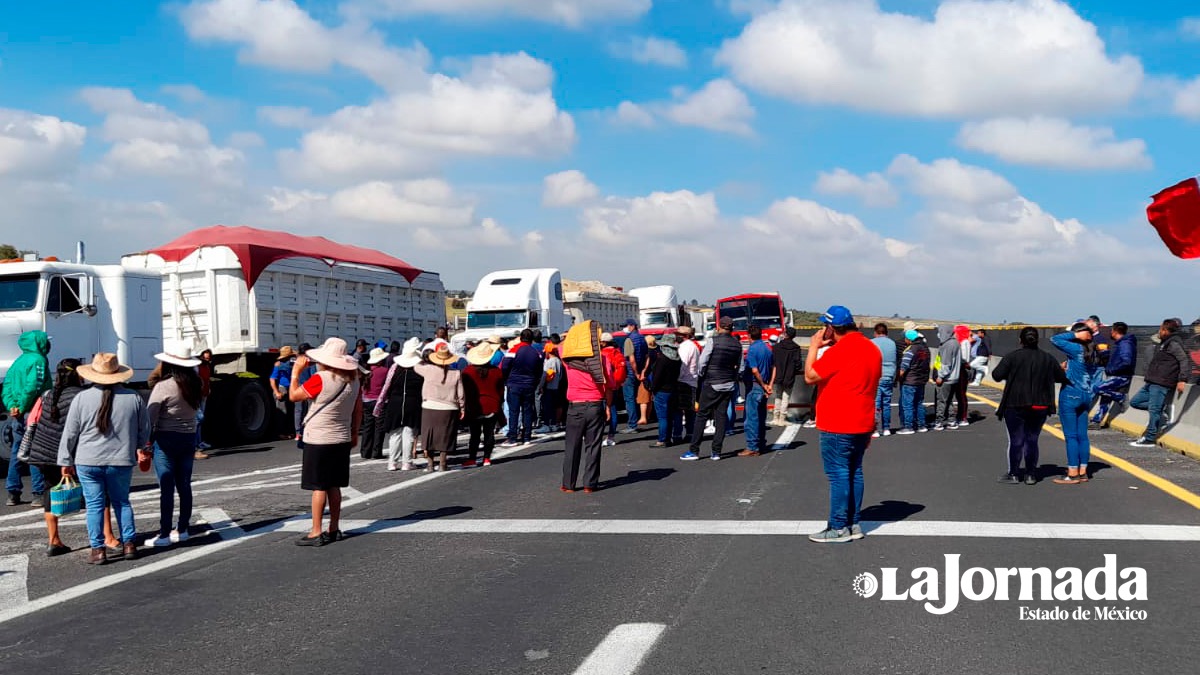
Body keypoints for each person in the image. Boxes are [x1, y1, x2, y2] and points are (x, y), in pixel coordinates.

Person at [58, 353, 150, 564]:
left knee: (94, 505)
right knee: (122, 502)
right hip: (121, 459)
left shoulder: (81, 398)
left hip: (88, 460)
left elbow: (70, 433)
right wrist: (140, 447)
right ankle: (129, 544)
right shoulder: (133, 397)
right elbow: (144, 429)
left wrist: (65, 461)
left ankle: (98, 550)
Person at [804, 306, 881, 543]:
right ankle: (853, 523)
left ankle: (838, 527)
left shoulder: (840, 351)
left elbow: (810, 376)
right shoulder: (871, 348)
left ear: (831, 328)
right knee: (854, 472)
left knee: (838, 474)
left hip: (838, 421)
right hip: (863, 419)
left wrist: (815, 346)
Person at [289, 337, 362, 546]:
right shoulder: (354, 379)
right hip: (342, 436)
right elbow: (357, 409)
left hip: (319, 437)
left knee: (318, 485)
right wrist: (355, 432)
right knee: (334, 485)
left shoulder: (321, 378)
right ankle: (334, 527)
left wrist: (296, 372)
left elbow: (294, 396)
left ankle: (316, 531)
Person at [20, 358, 83, 555]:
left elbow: (31, 421)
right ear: (77, 375)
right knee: (94, 493)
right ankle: (102, 539)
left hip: (43, 451)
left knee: (49, 491)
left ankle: (54, 539)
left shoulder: (47, 395)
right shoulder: (81, 396)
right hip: (69, 452)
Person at [991, 328, 1071, 484]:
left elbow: (996, 375)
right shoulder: (1047, 358)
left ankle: (1013, 473)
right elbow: (1061, 377)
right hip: (1040, 404)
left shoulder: (1012, 357)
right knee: (1032, 439)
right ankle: (1030, 474)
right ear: (1037, 340)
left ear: (1021, 340)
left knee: (1016, 440)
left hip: (1015, 403)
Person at [147, 343, 203, 547]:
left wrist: (146, 441)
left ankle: (164, 533)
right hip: (188, 436)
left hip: (166, 437)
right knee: (184, 485)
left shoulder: (164, 386)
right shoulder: (195, 383)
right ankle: (183, 528)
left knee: (166, 486)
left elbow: (150, 415)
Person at [682, 316, 741, 461]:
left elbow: (703, 362)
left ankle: (694, 450)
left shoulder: (713, 341)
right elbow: (740, 367)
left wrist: (702, 374)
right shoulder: (737, 345)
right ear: (731, 328)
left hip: (712, 382)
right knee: (721, 417)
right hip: (728, 384)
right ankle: (716, 452)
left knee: (702, 415)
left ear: (719, 327)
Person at [561, 321, 612, 493]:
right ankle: (590, 484)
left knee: (572, 445)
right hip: (595, 404)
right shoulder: (602, 359)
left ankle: (568, 484)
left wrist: (574, 336)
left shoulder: (567, 357)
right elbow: (610, 383)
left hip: (575, 405)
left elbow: (561, 345)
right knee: (593, 445)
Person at [1050, 323, 1101, 484]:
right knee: (1082, 436)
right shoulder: (1094, 352)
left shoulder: (1076, 349)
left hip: (1071, 394)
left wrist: (1075, 335)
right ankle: (1083, 471)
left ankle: (1072, 472)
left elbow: (1055, 339)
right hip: (1087, 395)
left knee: (1071, 436)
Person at [5, 329, 51, 506]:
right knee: (35, 452)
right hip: (34, 412)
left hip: (19, 413)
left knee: (17, 451)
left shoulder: (18, 361)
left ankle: (12, 493)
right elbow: (34, 386)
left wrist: (13, 406)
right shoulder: (39, 360)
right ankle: (38, 492)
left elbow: (7, 385)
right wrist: (24, 406)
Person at [1130, 318, 1190, 447]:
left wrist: (1182, 379)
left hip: (1162, 382)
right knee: (1135, 402)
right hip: (1152, 381)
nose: (1159, 331)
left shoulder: (1174, 344)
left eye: (1161, 328)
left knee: (1153, 409)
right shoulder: (1164, 343)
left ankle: (1150, 438)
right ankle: (1160, 409)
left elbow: (1184, 361)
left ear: (1166, 330)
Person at [376, 338, 424, 471]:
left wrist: (380, 403)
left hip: (395, 402)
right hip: (413, 401)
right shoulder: (420, 367)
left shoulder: (395, 367)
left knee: (394, 433)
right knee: (409, 432)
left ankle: (392, 462)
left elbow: (386, 385)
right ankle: (407, 462)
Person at [415, 345, 465, 472]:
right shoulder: (456, 373)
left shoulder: (428, 369)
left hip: (429, 406)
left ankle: (430, 465)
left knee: (429, 435)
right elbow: (461, 393)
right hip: (449, 408)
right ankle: (443, 463)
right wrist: (462, 408)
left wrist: (424, 358)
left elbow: (416, 366)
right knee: (445, 435)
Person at [462, 341, 504, 468]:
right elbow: (501, 390)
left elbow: (464, 390)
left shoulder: (467, 371)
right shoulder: (496, 371)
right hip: (492, 405)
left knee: (474, 434)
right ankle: (487, 458)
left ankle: (472, 458)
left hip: (475, 406)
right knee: (489, 433)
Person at [501, 329, 543, 446]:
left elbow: (504, 367)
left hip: (514, 384)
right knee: (527, 410)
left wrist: (506, 380)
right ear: (531, 339)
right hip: (529, 384)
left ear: (520, 337)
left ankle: (512, 437)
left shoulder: (513, 350)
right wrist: (535, 382)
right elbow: (539, 370)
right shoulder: (536, 352)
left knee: (514, 411)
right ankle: (527, 437)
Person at [1091, 322, 1137, 427]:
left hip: (1121, 376)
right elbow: (1117, 358)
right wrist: (1105, 353)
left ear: (1115, 331)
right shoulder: (1118, 343)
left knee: (1098, 388)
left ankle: (1121, 397)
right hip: (1115, 374)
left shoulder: (1125, 344)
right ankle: (1096, 421)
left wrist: (1112, 369)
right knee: (1105, 399)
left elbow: (1126, 361)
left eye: (1112, 330)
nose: (1110, 332)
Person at [740, 324, 773, 457]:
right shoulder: (767, 348)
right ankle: (761, 443)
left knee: (751, 418)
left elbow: (754, 370)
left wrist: (762, 384)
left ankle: (752, 446)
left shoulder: (752, 350)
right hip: (764, 384)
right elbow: (774, 367)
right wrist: (768, 384)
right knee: (761, 416)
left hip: (755, 385)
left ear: (749, 336)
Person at [895, 329, 931, 435]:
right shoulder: (925, 349)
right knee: (919, 403)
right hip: (921, 380)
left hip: (910, 381)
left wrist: (897, 378)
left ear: (909, 339)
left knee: (908, 405)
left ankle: (908, 426)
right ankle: (921, 425)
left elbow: (904, 367)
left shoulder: (910, 350)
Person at [650, 333, 682, 447]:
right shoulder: (677, 359)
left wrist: (652, 389)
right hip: (673, 388)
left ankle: (663, 439)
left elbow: (657, 377)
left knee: (663, 416)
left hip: (662, 390)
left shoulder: (662, 359)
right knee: (672, 414)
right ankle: (674, 436)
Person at [359, 346, 391, 459]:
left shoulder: (367, 370)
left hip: (366, 401)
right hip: (379, 402)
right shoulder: (385, 371)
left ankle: (365, 451)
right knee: (379, 427)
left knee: (368, 426)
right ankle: (376, 452)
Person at [932, 325, 963, 431]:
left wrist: (940, 376)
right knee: (949, 400)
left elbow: (946, 364)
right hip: (954, 377)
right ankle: (951, 421)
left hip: (947, 378)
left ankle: (939, 422)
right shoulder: (956, 343)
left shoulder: (947, 345)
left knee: (941, 401)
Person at [620, 319, 648, 433]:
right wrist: (643, 372)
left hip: (631, 373)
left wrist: (636, 372)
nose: (625, 329)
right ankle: (635, 421)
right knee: (637, 397)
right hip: (640, 372)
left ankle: (632, 425)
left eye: (626, 326)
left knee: (629, 399)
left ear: (632, 326)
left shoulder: (629, 340)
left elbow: (631, 360)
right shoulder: (642, 338)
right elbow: (647, 357)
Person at [770, 326, 801, 427]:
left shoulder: (777, 347)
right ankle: (782, 418)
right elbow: (798, 365)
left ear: (785, 334)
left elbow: (772, 362)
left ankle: (775, 417)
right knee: (786, 397)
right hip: (789, 376)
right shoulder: (796, 348)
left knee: (778, 396)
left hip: (778, 375)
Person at [871, 323, 898, 437]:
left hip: (877, 376)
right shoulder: (892, 343)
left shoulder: (872, 343)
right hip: (889, 375)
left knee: (876, 404)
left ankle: (875, 429)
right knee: (886, 403)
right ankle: (886, 427)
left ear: (876, 332)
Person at [600, 333, 626, 447]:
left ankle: (596, 435)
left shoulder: (603, 354)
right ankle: (611, 436)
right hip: (616, 385)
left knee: (601, 412)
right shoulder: (618, 352)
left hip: (604, 386)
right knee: (613, 410)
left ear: (604, 342)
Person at [675, 326, 701, 440]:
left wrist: (676, 378)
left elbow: (683, 365)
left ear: (684, 336)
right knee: (689, 410)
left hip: (685, 381)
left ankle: (679, 434)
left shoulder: (686, 347)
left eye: (678, 334)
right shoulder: (691, 346)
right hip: (691, 380)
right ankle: (690, 433)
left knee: (680, 410)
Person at [270, 346, 296, 440]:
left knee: (290, 411)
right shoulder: (280, 365)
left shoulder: (288, 364)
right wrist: (276, 391)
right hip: (283, 388)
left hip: (290, 388)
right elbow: (272, 379)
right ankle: (281, 432)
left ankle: (288, 431)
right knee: (282, 412)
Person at [293, 342, 317, 448]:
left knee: (298, 410)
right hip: (308, 388)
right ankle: (306, 430)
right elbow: (313, 375)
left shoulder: (296, 361)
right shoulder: (309, 362)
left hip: (298, 386)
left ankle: (298, 432)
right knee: (308, 410)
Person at [541, 346, 565, 432]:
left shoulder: (549, 362)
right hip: (557, 386)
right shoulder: (559, 361)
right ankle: (555, 424)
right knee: (557, 406)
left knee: (547, 406)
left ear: (548, 352)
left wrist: (541, 385)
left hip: (549, 386)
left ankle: (547, 425)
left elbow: (545, 375)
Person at [196, 349, 213, 452]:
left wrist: (209, 388)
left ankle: (200, 441)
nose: (207, 360)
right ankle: (196, 443)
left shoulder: (207, 367)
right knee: (198, 419)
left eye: (208, 358)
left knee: (201, 420)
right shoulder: (197, 367)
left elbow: (207, 380)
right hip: (198, 396)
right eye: (205, 358)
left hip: (204, 395)